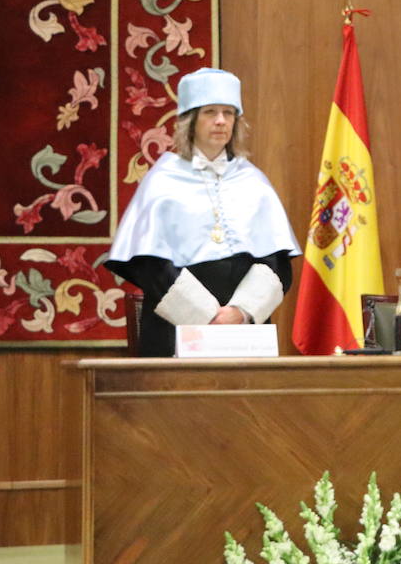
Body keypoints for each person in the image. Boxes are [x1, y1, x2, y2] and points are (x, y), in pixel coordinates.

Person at [105, 67, 301, 357]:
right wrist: (207, 317)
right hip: (174, 329)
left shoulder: (254, 181)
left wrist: (239, 312)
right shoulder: (162, 180)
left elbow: (277, 265)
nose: (221, 121)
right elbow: (150, 265)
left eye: (229, 113)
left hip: (244, 335)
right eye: (210, 112)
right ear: (191, 120)